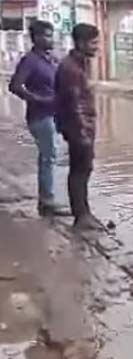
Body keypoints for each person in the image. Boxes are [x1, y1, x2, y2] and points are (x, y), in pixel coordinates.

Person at [9, 20, 70, 217]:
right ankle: (47, 201)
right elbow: (15, 86)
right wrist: (40, 100)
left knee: (51, 155)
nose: (50, 39)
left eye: (51, 35)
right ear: (35, 38)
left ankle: (47, 198)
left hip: (54, 114)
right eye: (46, 35)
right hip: (40, 116)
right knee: (49, 155)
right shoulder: (30, 60)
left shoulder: (50, 59)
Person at [54, 23, 102, 231]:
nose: (96, 47)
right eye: (93, 43)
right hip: (78, 128)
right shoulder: (70, 68)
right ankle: (81, 215)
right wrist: (82, 133)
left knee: (83, 169)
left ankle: (83, 212)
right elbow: (73, 106)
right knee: (80, 171)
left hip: (81, 127)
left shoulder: (78, 64)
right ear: (81, 43)